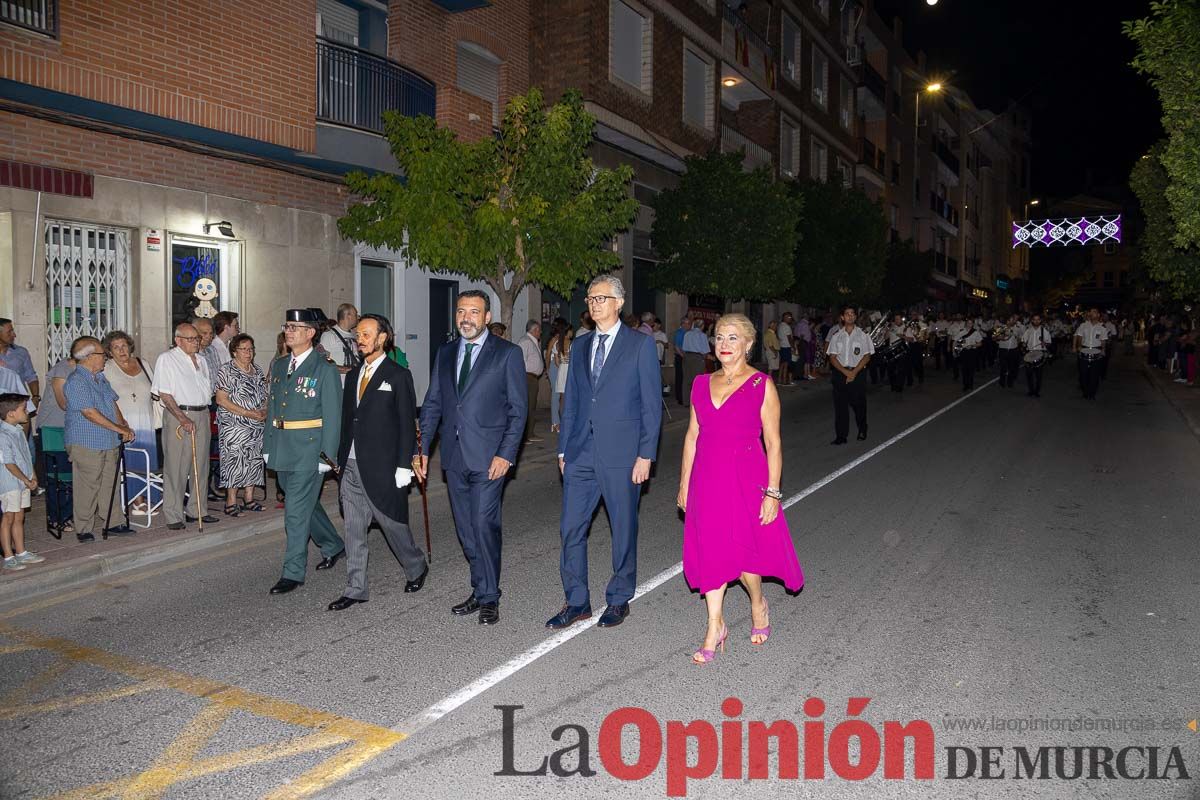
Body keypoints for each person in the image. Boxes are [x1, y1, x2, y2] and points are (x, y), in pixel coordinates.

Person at [677, 314, 802, 663]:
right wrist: (685, 482)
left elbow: (774, 443)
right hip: (707, 478)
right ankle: (714, 626)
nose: (725, 344)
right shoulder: (701, 383)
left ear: (748, 344)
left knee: (746, 556)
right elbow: (692, 436)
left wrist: (773, 492)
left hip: (747, 478)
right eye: (719, 337)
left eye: (733, 338)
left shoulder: (762, 384)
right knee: (712, 550)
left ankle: (758, 603)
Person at [547, 274, 663, 631]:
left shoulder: (639, 345)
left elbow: (650, 405)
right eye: (591, 299)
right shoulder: (580, 346)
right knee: (571, 528)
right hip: (581, 451)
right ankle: (577, 601)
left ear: (619, 303)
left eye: (601, 298)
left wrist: (646, 454)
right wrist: (563, 448)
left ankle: (618, 597)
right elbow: (574, 403)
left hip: (623, 454)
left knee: (622, 527)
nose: (594, 304)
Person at [415, 291, 527, 626]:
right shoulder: (446, 352)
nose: (466, 317)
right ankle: (480, 587)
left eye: (474, 312)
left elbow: (518, 411)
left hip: (490, 458)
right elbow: (433, 402)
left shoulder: (507, 354)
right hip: (453, 456)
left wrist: (506, 454)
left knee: (483, 524)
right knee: (466, 530)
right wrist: (421, 450)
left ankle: (490, 596)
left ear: (487, 317)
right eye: (461, 311)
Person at [329, 314, 428, 611]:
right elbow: (348, 421)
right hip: (351, 464)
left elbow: (406, 424)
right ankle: (356, 587)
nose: (360, 339)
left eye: (366, 334)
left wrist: (403, 465)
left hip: (384, 465)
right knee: (354, 529)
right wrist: (338, 456)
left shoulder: (398, 375)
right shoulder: (354, 375)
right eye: (358, 334)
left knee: (391, 524)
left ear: (382, 337)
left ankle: (416, 565)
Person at [262, 309, 345, 594]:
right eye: (287, 325)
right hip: (283, 448)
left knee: (294, 511)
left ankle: (293, 572)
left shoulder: (325, 368)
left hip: (309, 450)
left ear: (310, 333)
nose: (289, 331)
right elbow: (273, 408)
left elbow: (334, 416)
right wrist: (267, 446)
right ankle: (333, 545)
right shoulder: (282, 364)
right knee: (305, 503)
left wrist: (327, 456)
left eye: (296, 327)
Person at [64, 337, 134, 542]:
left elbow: (112, 404)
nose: (105, 357)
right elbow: (89, 413)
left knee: (110, 483)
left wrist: (124, 426)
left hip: (109, 440)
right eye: (102, 354)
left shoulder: (100, 378)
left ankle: (113, 522)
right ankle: (83, 528)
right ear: (88, 357)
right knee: (88, 485)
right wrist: (118, 428)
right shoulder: (76, 381)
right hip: (86, 442)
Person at [153, 323, 217, 530]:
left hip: (202, 412)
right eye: (191, 339)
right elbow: (164, 393)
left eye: (197, 339)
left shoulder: (202, 360)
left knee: (200, 465)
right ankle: (173, 514)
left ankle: (198, 510)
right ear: (178, 340)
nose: (196, 342)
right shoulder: (167, 359)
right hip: (180, 414)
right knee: (176, 466)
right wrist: (182, 418)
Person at [102, 331, 160, 515]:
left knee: (145, 462)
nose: (121, 350)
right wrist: (119, 422)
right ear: (109, 351)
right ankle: (130, 502)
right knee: (126, 462)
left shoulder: (143, 363)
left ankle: (143, 499)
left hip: (146, 420)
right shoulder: (106, 367)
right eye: (116, 347)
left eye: (124, 345)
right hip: (122, 422)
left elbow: (156, 390)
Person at [214, 334, 267, 516]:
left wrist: (264, 411)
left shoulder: (257, 370)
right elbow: (221, 400)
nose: (248, 352)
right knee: (235, 462)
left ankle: (249, 498)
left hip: (256, 426)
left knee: (253, 460)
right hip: (234, 426)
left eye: (251, 348)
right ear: (234, 351)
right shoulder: (227, 370)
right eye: (243, 349)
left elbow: (265, 396)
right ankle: (230, 502)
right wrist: (248, 413)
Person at [1, 393, 44, 571]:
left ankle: (21, 552)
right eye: (23, 409)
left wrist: (33, 476)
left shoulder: (18, 430)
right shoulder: (3, 435)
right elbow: (9, 463)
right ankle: (8, 556)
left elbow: (26, 457)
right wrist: (26, 479)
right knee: (8, 517)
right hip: (10, 483)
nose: (27, 411)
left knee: (19, 516)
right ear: (11, 413)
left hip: (23, 481)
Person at [826, 306, 874, 445]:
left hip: (857, 373)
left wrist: (854, 372)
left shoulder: (863, 335)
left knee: (859, 404)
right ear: (842, 317)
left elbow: (867, 356)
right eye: (847, 314)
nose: (850, 316)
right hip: (841, 374)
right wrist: (845, 372)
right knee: (840, 407)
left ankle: (862, 429)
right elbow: (832, 357)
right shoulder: (836, 336)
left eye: (852, 314)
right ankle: (841, 436)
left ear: (855, 317)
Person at [38, 354, 75, 532]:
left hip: (71, 428)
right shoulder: (62, 369)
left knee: (70, 475)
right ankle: (57, 517)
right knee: (58, 476)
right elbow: (64, 403)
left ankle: (66, 515)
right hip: (54, 428)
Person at [0, 318, 39, 412]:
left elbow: (31, 376)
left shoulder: (21, 352)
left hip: (18, 406)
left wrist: (36, 397)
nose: (14, 335)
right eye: (9, 332)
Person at [518, 319, 545, 444]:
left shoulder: (531, 341)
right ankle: (525, 436)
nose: (541, 332)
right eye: (539, 330)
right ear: (534, 330)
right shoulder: (525, 342)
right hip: (527, 377)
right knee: (527, 406)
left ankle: (529, 433)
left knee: (531, 406)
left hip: (533, 378)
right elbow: (520, 362)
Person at [1074, 307, 1109, 400]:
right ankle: (1085, 391)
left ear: (1098, 315)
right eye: (1091, 312)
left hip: (1096, 351)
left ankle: (1092, 393)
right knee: (1083, 374)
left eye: (1094, 312)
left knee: (1095, 375)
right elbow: (1079, 336)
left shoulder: (1102, 327)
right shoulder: (1083, 325)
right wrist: (1078, 346)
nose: (1092, 313)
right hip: (1084, 350)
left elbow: (1103, 340)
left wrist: (1103, 350)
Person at [320, 303, 361, 375]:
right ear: (348, 316)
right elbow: (323, 360)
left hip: (352, 383)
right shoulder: (329, 335)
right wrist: (345, 369)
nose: (358, 317)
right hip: (338, 384)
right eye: (356, 314)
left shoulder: (354, 334)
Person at [549, 323, 573, 435]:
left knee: (561, 398)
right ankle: (567, 421)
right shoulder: (572, 344)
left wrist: (563, 363)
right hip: (569, 371)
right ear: (568, 332)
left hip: (562, 371)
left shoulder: (557, 343)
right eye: (571, 331)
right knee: (568, 397)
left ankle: (561, 421)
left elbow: (557, 362)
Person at [1021, 313, 1052, 398]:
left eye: (1038, 319)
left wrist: (1045, 343)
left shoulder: (1044, 331)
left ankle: (1036, 391)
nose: (1036, 321)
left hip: (1040, 354)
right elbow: (1023, 340)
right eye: (1034, 319)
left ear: (1040, 320)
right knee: (1029, 374)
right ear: (1032, 321)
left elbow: (1049, 343)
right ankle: (1031, 390)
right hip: (1030, 353)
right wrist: (1023, 345)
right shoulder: (1028, 330)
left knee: (1038, 375)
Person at [681, 319, 709, 405]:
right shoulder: (702, 335)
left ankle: (686, 401)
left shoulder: (687, 334)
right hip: (697, 358)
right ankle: (697, 401)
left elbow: (683, 347)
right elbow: (705, 351)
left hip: (687, 357)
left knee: (686, 380)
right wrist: (703, 358)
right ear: (702, 326)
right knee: (698, 380)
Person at [191, 317, 222, 396]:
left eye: (211, 333)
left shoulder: (212, 350)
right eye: (204, 333)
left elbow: (220, 374)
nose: (208, 337)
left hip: (215, 398)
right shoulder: (190, 353)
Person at [996, 315, 1024, 389]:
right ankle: (1002, 382)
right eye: (1011, 320)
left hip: (1013, 350)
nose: (1013, 321)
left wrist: (1018, 340)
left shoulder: (1017, 329)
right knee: (1003, 367)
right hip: (1003, 349)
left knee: (1012, 367)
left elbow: (1021, 338)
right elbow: (994, 337)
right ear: (1007, 321)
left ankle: (1010, 382)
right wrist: (1002, 337)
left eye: (1014, 320)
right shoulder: (1001, 328)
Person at [955, 321, 983, 392]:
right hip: (963, 352)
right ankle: (965, 385)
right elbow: (956, 342)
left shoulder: (975, 332)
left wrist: (972, 345)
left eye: (971, 323)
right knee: (964, 369)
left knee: (971, 369)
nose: (969, 324)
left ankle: (970, 385)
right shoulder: (961, 332)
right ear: (966, 324)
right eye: (968, 323)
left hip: (972, 352)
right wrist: (955, 351)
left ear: (973, 324)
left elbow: (980, 343)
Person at [886, 313, 907, 393]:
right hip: (892, 349)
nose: (896, 320)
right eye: (895, 319)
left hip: (901, 349)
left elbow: (911, 339)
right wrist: (888, 329)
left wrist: (902, 336)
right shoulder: (892, 327)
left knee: (901, 369)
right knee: (890, 369)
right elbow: (885, 337)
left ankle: (899, 386)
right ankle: (893, 385)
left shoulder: (905, 327)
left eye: (898, 319)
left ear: (901, 319)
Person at [672, 317, 689, 405]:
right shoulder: (679, 333)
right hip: (680, 357)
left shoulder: (688, 333)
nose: (688, 325)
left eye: (688, 323)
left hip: (684, 356)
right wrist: (683, 356)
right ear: (682, 324)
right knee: (680, 377)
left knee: (684, 377)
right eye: (686, 323)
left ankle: (683, 396)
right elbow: (676, 346)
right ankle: (680, 397)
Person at [777, 313, 794, 386]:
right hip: (786, 347)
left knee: (782, 364)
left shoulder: (780, 325)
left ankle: (779, 379)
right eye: (789, 317)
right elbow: (789, 338)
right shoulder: (787, 327)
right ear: (785, 318)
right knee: (786, 364)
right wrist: (793, 346)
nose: (790, 318)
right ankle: (784, 380)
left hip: (781, 346)